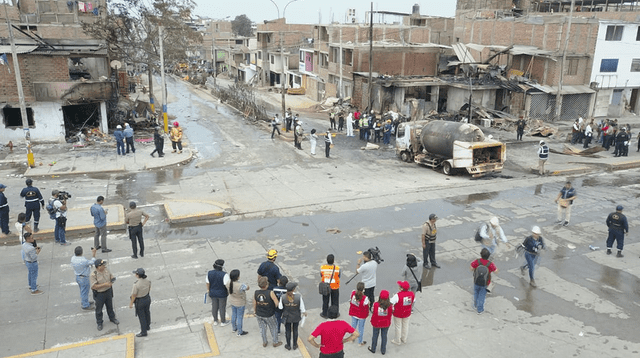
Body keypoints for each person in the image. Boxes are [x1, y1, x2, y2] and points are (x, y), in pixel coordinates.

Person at [90, 258, 119, 331]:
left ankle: (112, 318)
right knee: (99, 309)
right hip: (100, 294)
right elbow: (93, 286)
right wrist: (105, 285)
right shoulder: (94, 274)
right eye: (103, 265)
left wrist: (112, 280)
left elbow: (111, 276)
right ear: (98, 266)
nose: (104, 266)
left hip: (108, 291)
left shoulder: (106, 270)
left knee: (110, 306)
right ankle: (99, 323)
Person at [254, 277, 282, 347]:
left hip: (259, 313)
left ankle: (264, 341)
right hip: (269, 314)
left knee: (262, 328)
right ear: (267, 285)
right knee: (273, 327)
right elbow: (276, 303)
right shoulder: (270, 293)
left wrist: (255, 311)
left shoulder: (256, 292)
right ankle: (275, 342)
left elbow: (254, 303)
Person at [279, 282, 306, 350]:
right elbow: (302, 308)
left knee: (287, 331)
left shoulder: (283, 297)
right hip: (296, 316)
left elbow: (280, 307)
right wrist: (304, 313)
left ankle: (288, 345)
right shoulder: (298, 297)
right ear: (293, 289)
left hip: (287, 317)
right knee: (295, 330)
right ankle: (294, 345)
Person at [470, 248, 498, 314]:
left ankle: (475, 305)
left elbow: (471, 268)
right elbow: (496, 271)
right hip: (485, 282)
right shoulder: (490, 264)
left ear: (481, 255)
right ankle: (480, 310)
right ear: (488, 256)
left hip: (476, 280)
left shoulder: (477, 261)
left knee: (476, 292)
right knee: (482, 295)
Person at [71, 246, 97, 310]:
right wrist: (93, 254)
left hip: (78, 276)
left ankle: (86, 301)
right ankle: (85, 305)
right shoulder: (83, 260)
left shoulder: (73, 258)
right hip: (84, 277)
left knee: (83, 291)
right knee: (84, 292)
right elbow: (92, 262)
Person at [390, 281, 415, 345]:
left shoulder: (397, 295)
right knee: (405, 326)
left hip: (398, 313)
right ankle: (404, 338)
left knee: (398, 327)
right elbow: (413, 300)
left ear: (401, 288)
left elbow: (391, 302)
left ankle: (397, 340)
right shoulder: (412, 294)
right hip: (407, 313)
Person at [206, 259, 230, 326]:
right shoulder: (225, 275)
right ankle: (223, 321)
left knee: (214, 307)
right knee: (222, 307)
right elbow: (227, 285)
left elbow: (207, 283)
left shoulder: (209, 273)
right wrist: (228, 292)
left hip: (212, 293)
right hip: (222, 294)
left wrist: (208, 290)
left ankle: (215, 320)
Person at [368, 290, 392, 354]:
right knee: (384, 336)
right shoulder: (390, 306)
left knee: (375, 335)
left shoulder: (375, 304)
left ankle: (373, 348)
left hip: (376, 323)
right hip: (386, 323)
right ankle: (383, 350)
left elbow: (372, 311)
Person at [129, 268, 151, 337]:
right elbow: (149, 289)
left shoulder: (136, 284)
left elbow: (134, 295)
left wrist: (131, 303)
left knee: (142, 316)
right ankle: (147, 326)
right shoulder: (148, 281)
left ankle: (144, 332)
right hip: (147, 298)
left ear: (138, 275)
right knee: (147, 312)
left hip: (140, 301)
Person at [228, 269, 249, 336]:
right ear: (237, 277)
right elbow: (247, 288)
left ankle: (234, 328)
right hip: (240, 302)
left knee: (234, 314)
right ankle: (240, 331)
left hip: (232, 301)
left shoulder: (228, 283)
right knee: (239, 317)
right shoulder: (241, 285)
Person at [348, 282, 369, 347]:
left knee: (353, 326)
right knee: (361, 328)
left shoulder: (353, 293)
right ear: (363, 289)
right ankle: (360, 342)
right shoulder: (365, 298)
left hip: (354, 313)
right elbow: (367, 305)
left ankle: (352, 339)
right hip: (361, 316)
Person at [320, 254, 340, 318]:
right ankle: (335, 313)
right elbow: (339, 276)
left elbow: (321, 275)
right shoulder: (337, 268)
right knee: (335, 301)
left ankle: (324, 313)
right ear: (333, 261)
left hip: (326, 286)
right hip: (335, 287)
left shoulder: (322, 268)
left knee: (325, 301)